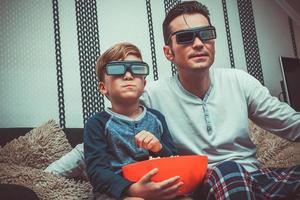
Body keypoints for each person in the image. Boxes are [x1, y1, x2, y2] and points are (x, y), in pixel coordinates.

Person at [140, 1, 300, 199]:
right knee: (228, 170)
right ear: (168, 52)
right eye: (185, 37)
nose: (199, 43)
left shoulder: (239, 80)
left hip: (254, 178)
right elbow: (114, 132)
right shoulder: (152, 95)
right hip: (201, 185)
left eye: (206, 34)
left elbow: (292, 124)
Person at [83, 42, 186, 200]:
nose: (128, 75)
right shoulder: (96, 124)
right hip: (115, 194)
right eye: (117, 70)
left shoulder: (157, 118)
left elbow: (173, 160)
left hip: (157, 187)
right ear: (103, 87)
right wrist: (131, 189)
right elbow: (97, 171)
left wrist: (158, 148)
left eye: (136, 69)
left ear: (144, 84)